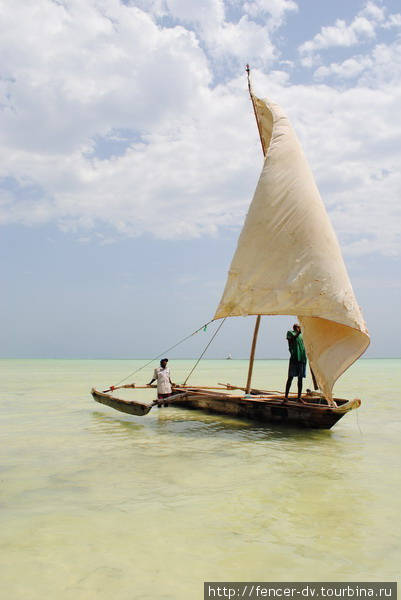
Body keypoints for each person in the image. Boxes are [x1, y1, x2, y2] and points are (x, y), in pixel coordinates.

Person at [284, 324, 307, 403]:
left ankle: (299, 398)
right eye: (295, 327)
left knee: (300, 379)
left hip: (302, 359)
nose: (296, 327)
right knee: (290, 378)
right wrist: (297, 334)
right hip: (294, 358)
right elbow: (290, 340)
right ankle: (286, 397)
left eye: (297, 326)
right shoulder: (290, 333)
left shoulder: (302, 336)